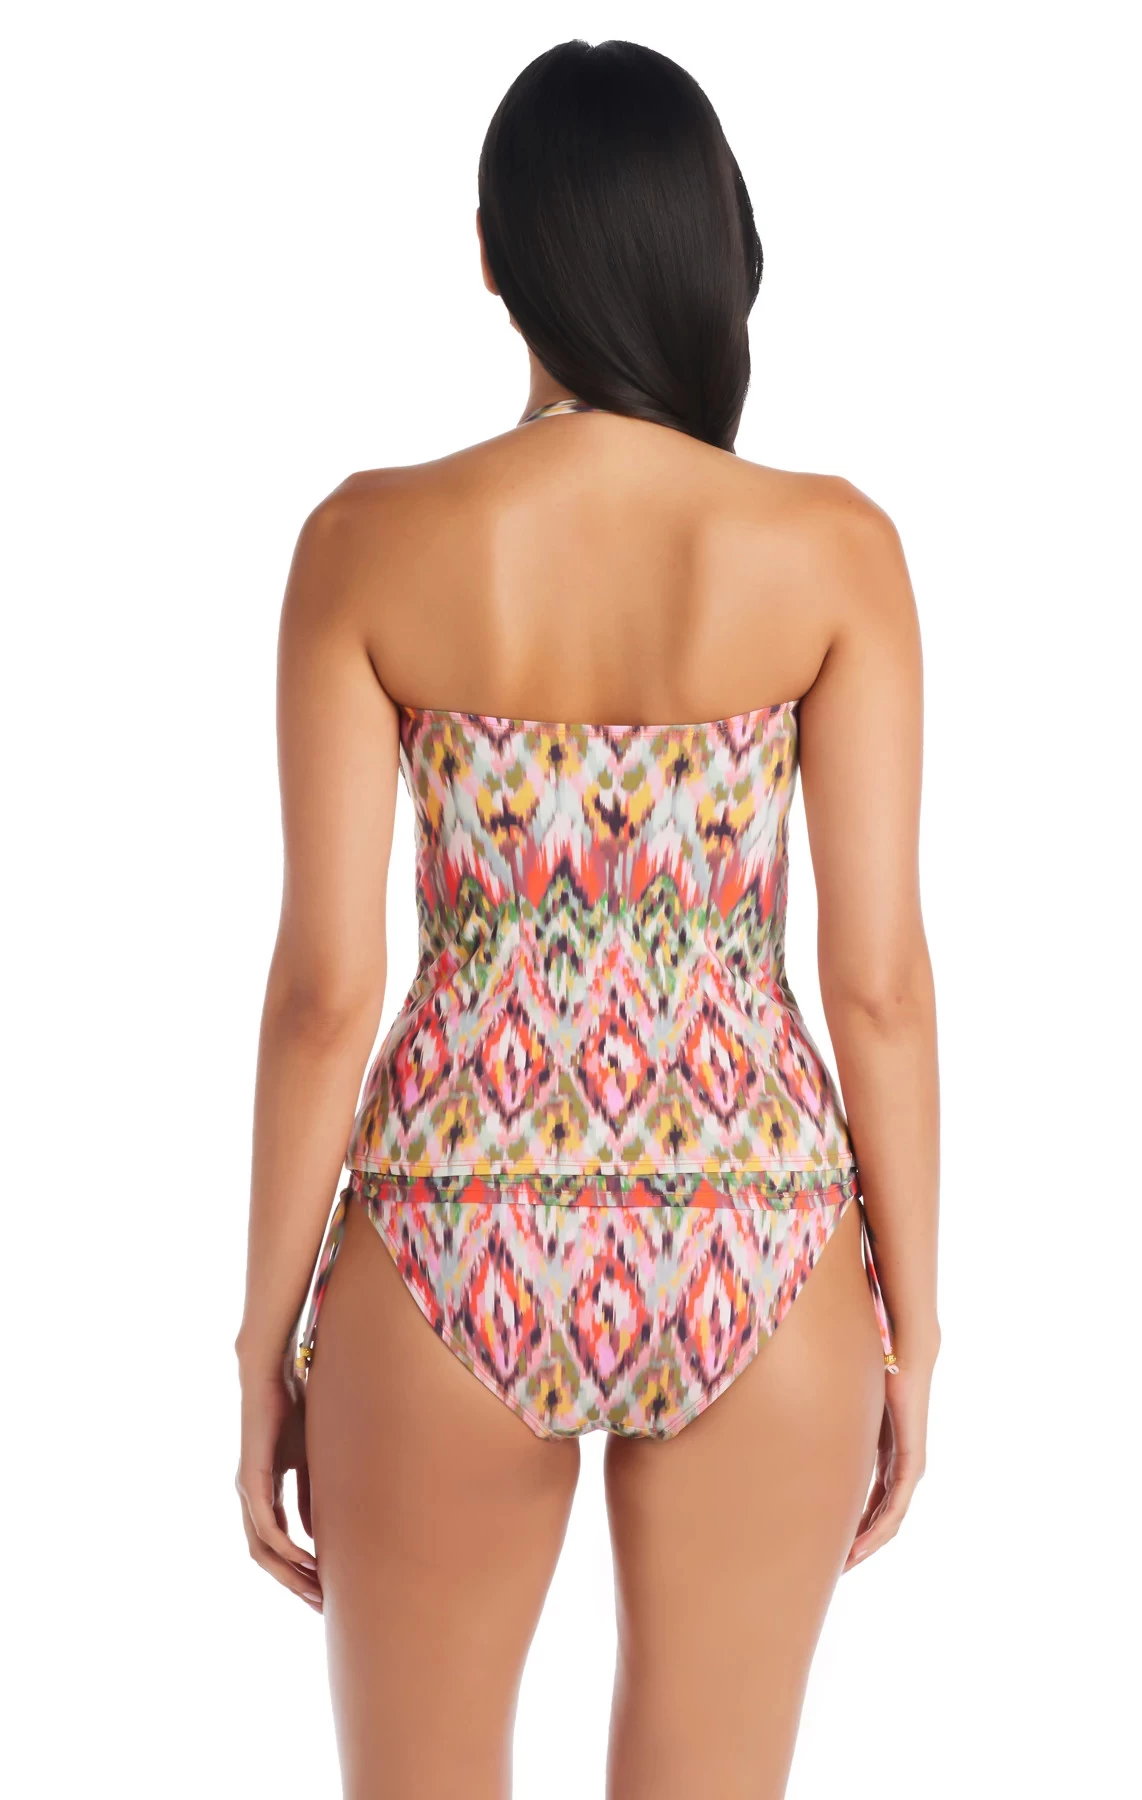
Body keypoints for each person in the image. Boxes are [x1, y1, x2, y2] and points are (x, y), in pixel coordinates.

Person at [234, 37, 940, 1800]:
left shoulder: (368, 541)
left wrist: (262, 1343)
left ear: (493, 254)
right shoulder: (832, 548)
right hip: (759, 1233)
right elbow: (875, 987)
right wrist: (914, 1327)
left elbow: (327, 991)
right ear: (722, 249)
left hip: (449, 1223)